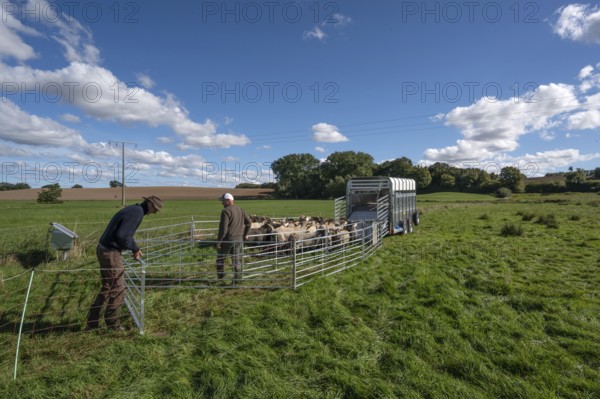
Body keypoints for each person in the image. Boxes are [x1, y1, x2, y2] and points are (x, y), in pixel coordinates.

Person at [86, 195, 163, 330]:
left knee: (107, 288)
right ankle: (113, 326)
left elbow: (125, 235)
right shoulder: (137, 213)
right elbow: (122, 236)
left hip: (104, 249)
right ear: (150, 204)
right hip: (111, 253)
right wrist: (135, 248)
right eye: (155, 209)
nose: (155, 212)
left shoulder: (133, 209)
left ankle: (92, 323)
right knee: (118, 289)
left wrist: (134, 248)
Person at [216, 193, 251, 285]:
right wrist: (244, 235)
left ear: (228, 200)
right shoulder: (241, 209)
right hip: (238, 239)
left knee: (220, 258)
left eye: (223, 201)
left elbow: (223, 229)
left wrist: (219, 241)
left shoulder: (226, 211)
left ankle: (220, 278)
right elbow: (249, 223)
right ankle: (237, 279)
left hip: (228, 239)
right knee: (236, 260)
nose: (222, 203)